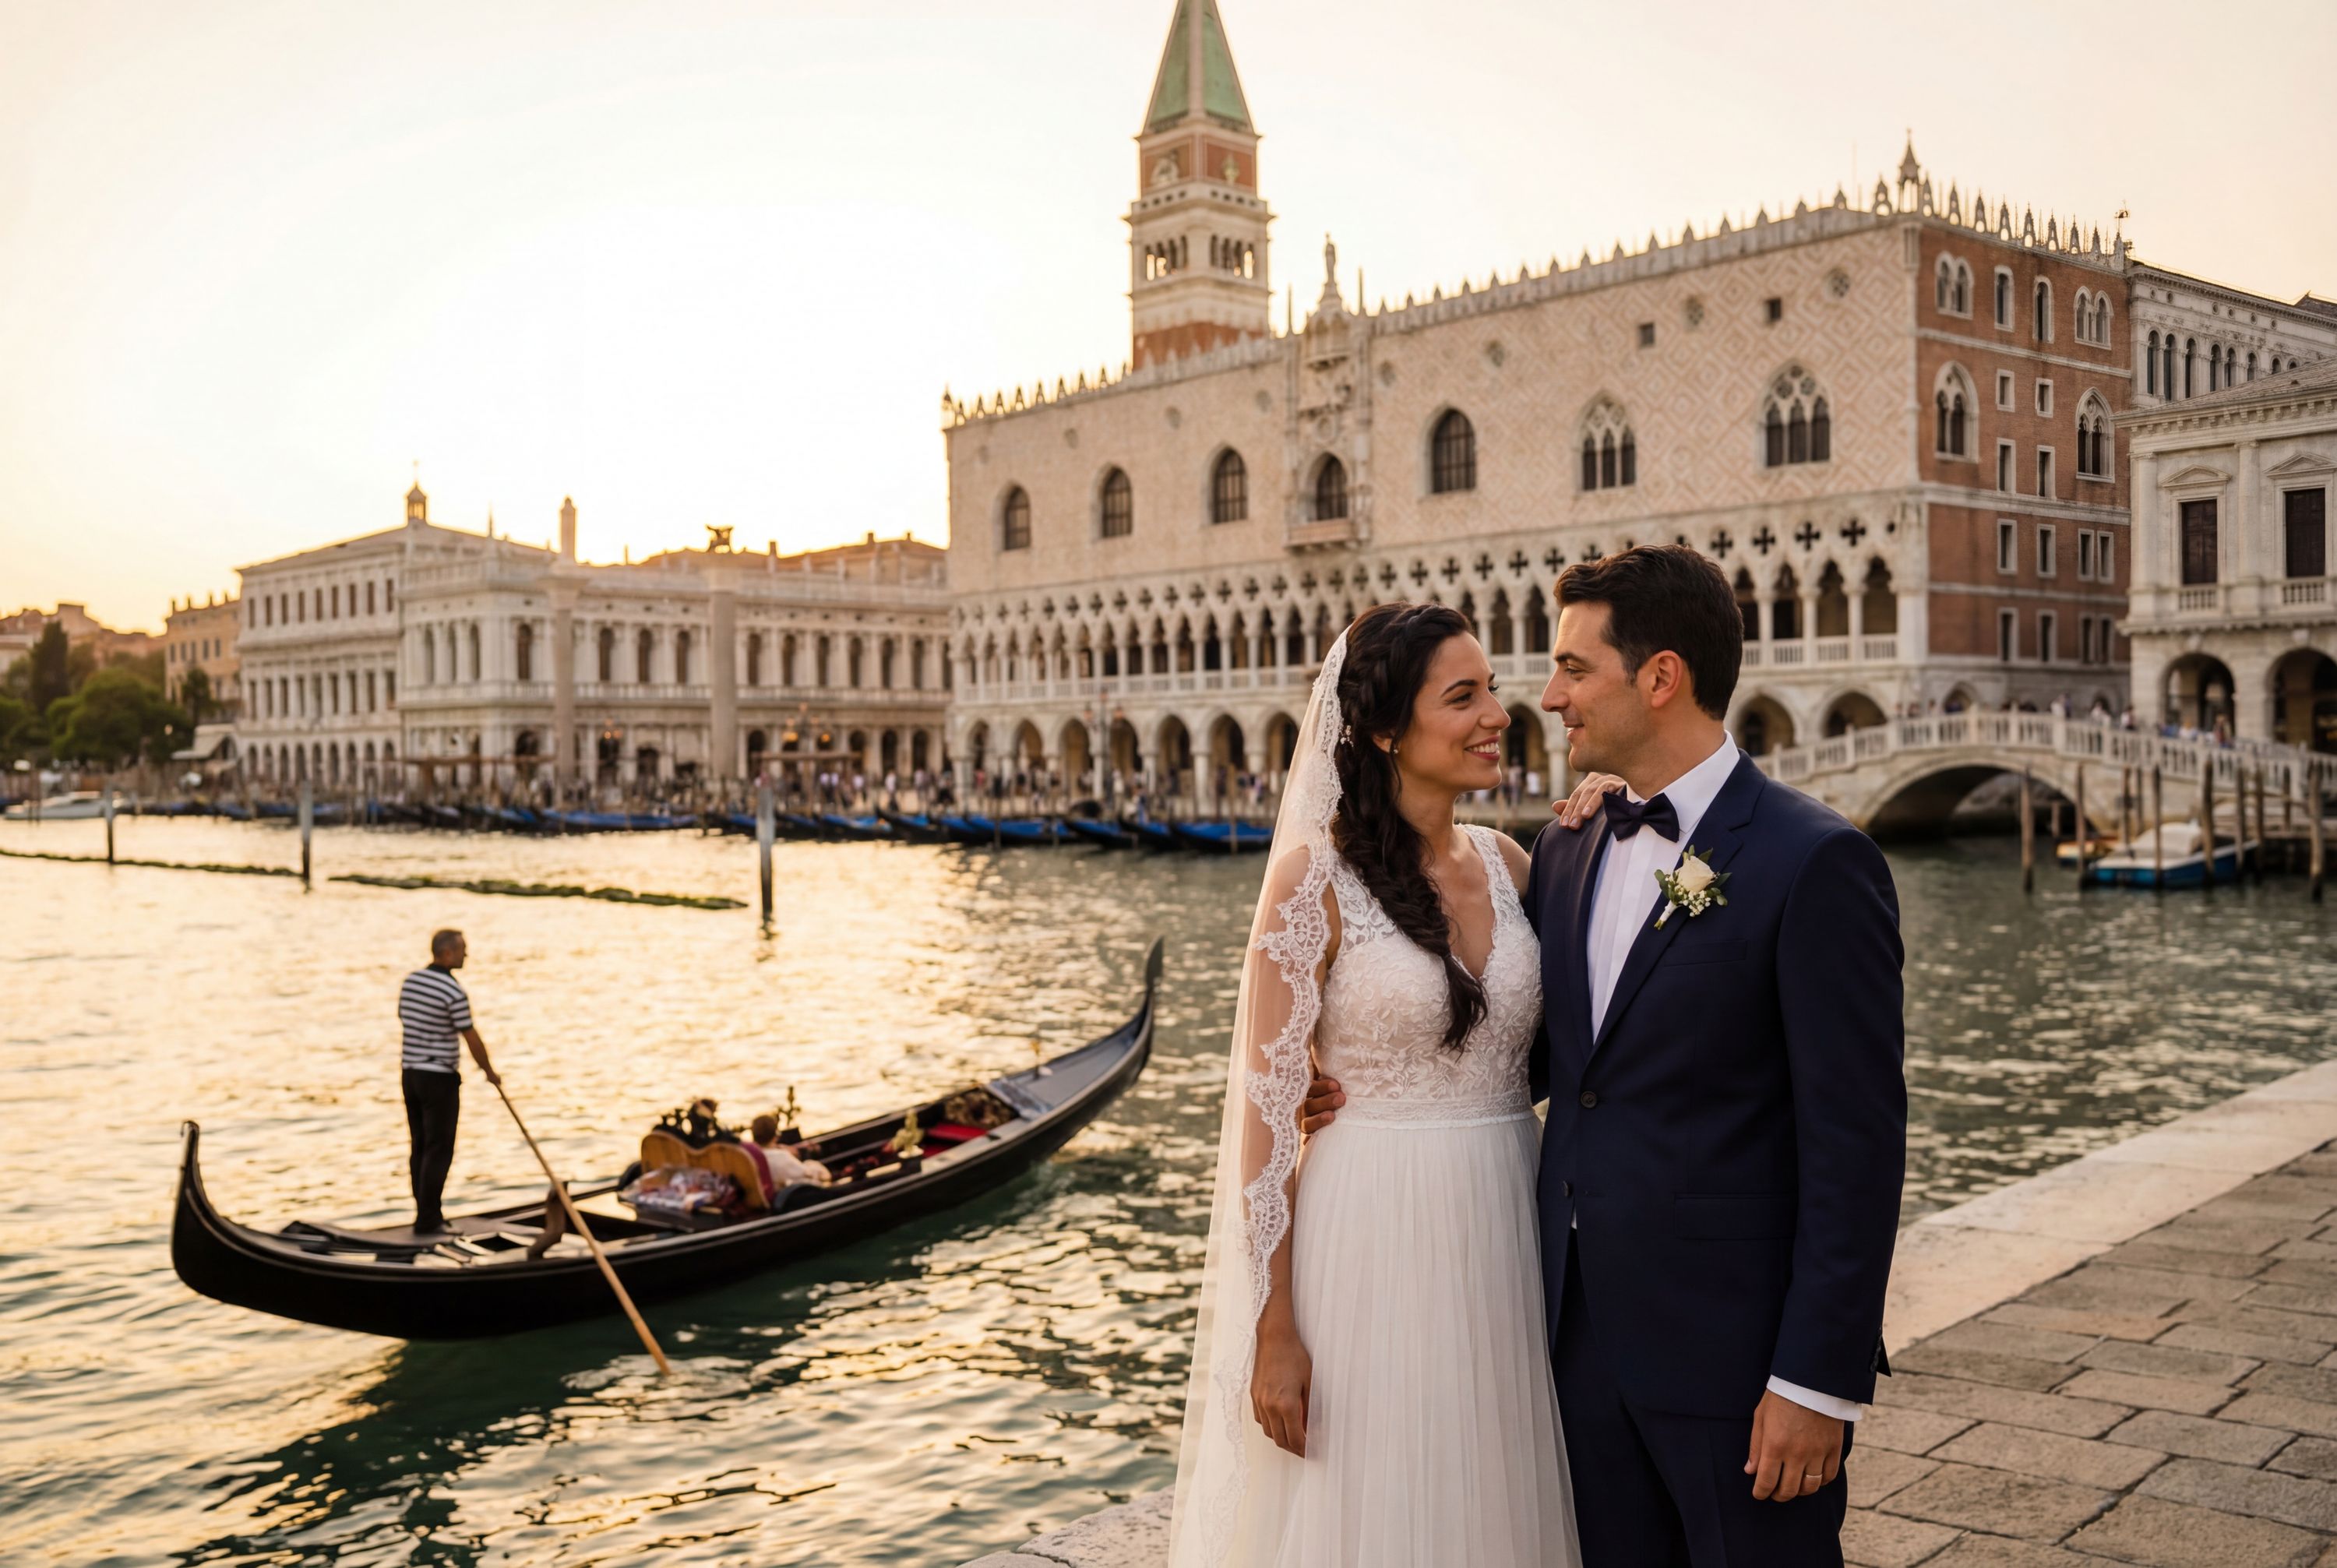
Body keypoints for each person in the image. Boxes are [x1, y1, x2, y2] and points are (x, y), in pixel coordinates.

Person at [1168, 602, 1620, 1568]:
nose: (1499, 713)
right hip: (1368, 1237)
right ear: (1383, 730)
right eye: (1464, 697)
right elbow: (1263, 1126)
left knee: (1495, 1484)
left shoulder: (1514, 864)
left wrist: (1600, 810)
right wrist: (1272, 1327)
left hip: (1505, 1219)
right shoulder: (1310, 883)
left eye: (1494, 689)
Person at [397, 928, 502, 1235]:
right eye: (462, 950)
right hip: (439, 1077)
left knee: (420, 1146)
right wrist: (490, 1072)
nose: (466, 955)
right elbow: (471, 1037)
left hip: (410, 1074)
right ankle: (429, 1220)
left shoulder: (411, 982)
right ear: (446, 953)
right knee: (440, 1148)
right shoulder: (453, 992)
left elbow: (405, 1018)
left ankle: (425, 1214)